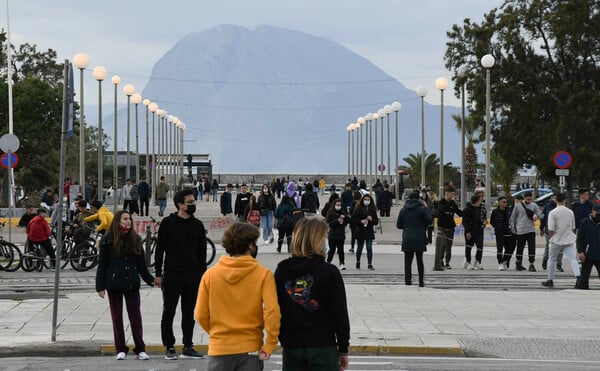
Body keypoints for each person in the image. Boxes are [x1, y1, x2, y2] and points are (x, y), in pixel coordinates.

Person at [195, 222, 281, 371]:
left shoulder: (210, 275)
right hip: (250, 348)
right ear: (249, 245)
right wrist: (270, 343)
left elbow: (201, 314)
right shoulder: (263, 274)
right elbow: (272, 311)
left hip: (220, 348)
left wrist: (218, 333)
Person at [274, 218, 350, 371]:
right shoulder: (329, 272)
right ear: (318, 240)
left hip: (292, 346)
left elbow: (276, 309)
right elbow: (339, 314)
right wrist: (343, 348)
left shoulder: (282, 270)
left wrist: (283, 339)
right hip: (322, 346)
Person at [95, 210, 155, 361]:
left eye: (129, 219)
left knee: (135, 316)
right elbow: (102, 265)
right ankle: (120, 348)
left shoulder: (135, 238)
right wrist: (100, 286)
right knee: (117, 317)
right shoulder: (108, 239)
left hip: (131, 282)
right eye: (125, 219)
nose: (128, 221)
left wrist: (151, 280)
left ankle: (140, 348)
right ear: (118, 221)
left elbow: (142, 265)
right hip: (114, 282)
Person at [154, 189, 206, 360]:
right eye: (190, 202)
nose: (193, 205)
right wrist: (158, 273)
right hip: (172, 275)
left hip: (192, 275)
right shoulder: (168, 223)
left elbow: (202, 252)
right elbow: (159, 250)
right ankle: (169, 346)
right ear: (180, 205)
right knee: (169, 311)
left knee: (189, 312)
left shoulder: (197, 225)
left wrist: (202, 275)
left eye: (193, 202)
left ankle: (188, 345)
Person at [541, 193, 581, 288]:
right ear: (565, 200)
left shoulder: (553, 212)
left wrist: (551, 237)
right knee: (572, 259)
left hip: (556, 239)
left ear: (555, 200)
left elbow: (551, 229)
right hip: (568, 239)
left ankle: (550, 280)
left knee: (552, 259)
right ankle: (578, 277)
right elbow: (573, 227)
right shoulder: (570, 212)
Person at [397, 191, 433, 286]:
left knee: (407, 261)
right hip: (419, 237)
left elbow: (399, 225)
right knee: (419, 260)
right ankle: (421, 281)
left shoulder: (403, 210)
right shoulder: (421, 209)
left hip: (407, 237)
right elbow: (430, 220)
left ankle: (408, 281)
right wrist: (426, 208)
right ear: (419, 199)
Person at [509, 191, 543, 271]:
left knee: (532, 247)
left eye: (530, 199)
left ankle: (531, 264)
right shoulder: (518, 206)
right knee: (520, 247)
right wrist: (513, 228)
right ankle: (518, 263)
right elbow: (513, 217)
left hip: (531, 230)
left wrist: (536, 215)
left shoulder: (534, 205)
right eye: (528, 199)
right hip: (520, 230)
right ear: (524, 198)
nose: (529, 201)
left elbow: (541, 214)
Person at [433, 187, 463, 271]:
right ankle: (440, 260)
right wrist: (449, 204)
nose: (453, 196)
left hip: (450, 226)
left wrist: (467, 211)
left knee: (449, 246)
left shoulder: (453, 203)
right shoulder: (441, 202)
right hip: (442, 226)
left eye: (454, 194)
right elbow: (442, 209)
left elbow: (459, 212)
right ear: (447, 193)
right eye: (452, 194)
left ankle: (447, 262)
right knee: (442, 244)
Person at [351, 193, 379, 270]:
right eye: (365, 200)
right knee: (359, 247)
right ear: (362, 200)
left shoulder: (372, 209)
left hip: (369, 230)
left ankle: (369, 263)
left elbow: (376, 221)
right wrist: (361, 221)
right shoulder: (358, 209)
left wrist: (371, 220)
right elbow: (353, 219)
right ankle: (358, 261)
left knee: (369, 247)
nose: (367, 201)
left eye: (368, 200)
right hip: (360, 230)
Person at [576, 203, 600, 289]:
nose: (598, 214)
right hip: (587, 255)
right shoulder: (584, 223)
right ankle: (582, 289)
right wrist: (580, 251)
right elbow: (579, 239)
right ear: (592, 212)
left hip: (599, 254)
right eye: (597, 212)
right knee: (584, 278)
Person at [490, 196, 516, 270]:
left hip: (508, 233)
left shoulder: (509, 211)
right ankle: (500, 263)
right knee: (499, 249)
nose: (505, 203)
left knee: (509, 249)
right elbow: (492, 222)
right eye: (503, 202)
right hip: (499, 233)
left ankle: (505, 260)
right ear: (499, 203)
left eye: (506, 202)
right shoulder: (495, 211)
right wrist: (497, 227)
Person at [462, 194, 486, 270]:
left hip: (479, 230)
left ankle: (477, 261)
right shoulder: (467, 209)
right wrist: (468, 231)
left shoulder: (479, 209)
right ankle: (468, 262)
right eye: (480, 199)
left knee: (480, 246)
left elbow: (478, 220)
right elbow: (465, 222)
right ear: (476, 201)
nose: (481, 201)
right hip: (470, 231)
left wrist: (482, 223)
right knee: (469, 246)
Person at [540, 195, 563, 271]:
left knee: (560, 248)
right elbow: (543, 217)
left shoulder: (562, 206)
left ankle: (558, 265)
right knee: (548, 246)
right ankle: (545, 260)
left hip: (559, 230)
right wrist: (541, 228)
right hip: (549, 229)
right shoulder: (548, 205)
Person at [326, 198, 349, 270]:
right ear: (334, 205)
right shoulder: (330, 213)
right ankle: (328, 261)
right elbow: (329, 223)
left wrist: (345, 218)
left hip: (341, 234)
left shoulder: (343, 213)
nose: (338, 206)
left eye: (340, 205)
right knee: (332, 250)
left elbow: (348, 220)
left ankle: (342, 263)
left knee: (340, 250)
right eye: (337, 205)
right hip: (332, 234)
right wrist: (337, 220)